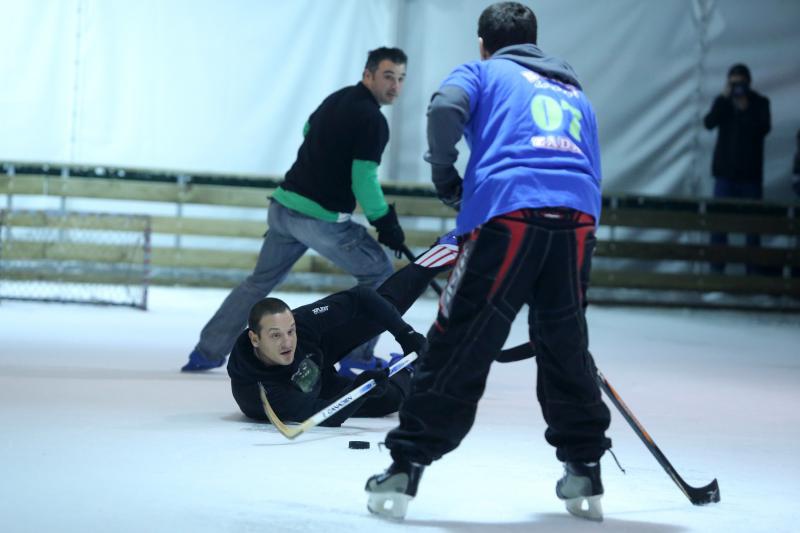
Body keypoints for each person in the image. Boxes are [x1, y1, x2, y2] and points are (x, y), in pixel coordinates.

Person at [364, 2, 611, 522]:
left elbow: (443, 109)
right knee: (563, 341)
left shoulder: (481, 71)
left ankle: (406, 464)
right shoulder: (573, 90)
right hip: (578, 219)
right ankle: (585, 464)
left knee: (460, 338)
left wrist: (443, 174)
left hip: (511, 215)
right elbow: (588, 160)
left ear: (483, 42)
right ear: (535, 42)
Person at [182, 47, 409, 373]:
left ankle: (206, 352)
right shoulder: (372, 120)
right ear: (368, 74)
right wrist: (384, 221)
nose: (395, 86)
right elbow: (364, 178)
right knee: (379, 273)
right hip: (318, 219)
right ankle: (355, 358)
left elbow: (307, 132)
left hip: (284, 207)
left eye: (401, 79)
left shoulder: (337, 99)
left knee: (258, 283)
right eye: (388, 76)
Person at [228, 234, 459, 425]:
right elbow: (325, 415)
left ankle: (437, 256)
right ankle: (406, 370)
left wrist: (405, 334)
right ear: (255, 339)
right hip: (312, 390)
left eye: (290, 331)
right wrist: (361, 390)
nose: (287, 342)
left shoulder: (301, 323)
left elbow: (361, 296)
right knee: (389, 400)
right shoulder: (263, 394)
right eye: (275, 335)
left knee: (377, 313)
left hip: (317, 353)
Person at [703, 63, 771, 275]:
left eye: (740, 83)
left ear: (748, 83)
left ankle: (752, 275)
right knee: (719, 227)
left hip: (750, 177)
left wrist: (745, 108)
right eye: (734, 84)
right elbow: (708, 123)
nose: (738, 88)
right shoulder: (723, 102)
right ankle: (716, 274)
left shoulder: (759, 103)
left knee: (752, 229)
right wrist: (724, 98)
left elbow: (763, 129)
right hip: (725, 175)